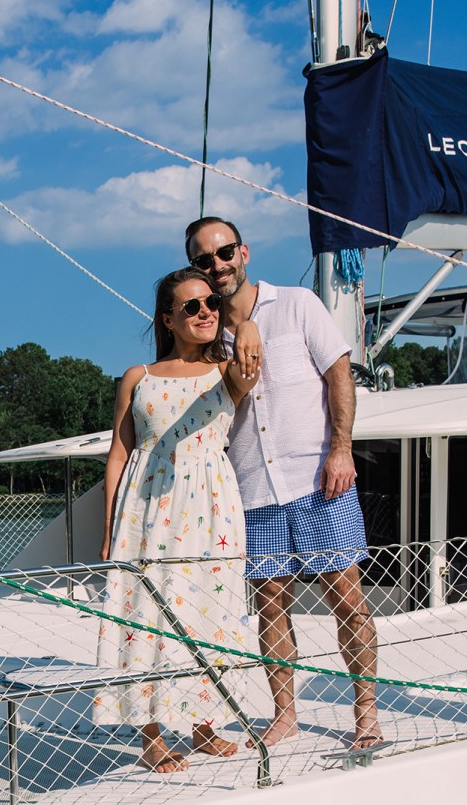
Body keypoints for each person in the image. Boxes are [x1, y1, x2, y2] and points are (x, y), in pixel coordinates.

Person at [184, 216, 382, 751]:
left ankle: (366, 711)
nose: (217, 266)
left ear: (243, 252)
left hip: (319, 477)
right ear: (196, 268)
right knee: (271, 602)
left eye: (224, 253)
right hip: (252, 489)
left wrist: (341, 448)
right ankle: (285, 714)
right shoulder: (205, 334)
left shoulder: (298, 304)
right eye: (204, 260)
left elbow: (339, 373)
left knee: (346, 596)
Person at [95, 268, 260, 772]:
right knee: (145, 613)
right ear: (169, 319)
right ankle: (151, 736)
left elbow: (252, 362)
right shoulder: (137, 377)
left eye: (210, 301)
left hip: (211, 508)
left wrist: (245, 324)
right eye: (191, 306)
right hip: (144, 511)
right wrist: (108, 530)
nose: (205, 310)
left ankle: (204, 725)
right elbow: (119, 455)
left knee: (209, 611)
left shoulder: (228, 370)